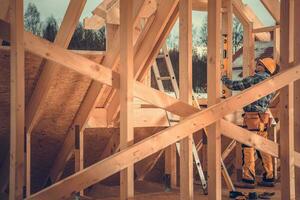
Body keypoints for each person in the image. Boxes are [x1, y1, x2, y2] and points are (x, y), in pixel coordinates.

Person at [221, 57, 279, 188]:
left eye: (259, 64)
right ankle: (269, 177)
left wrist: (223, 78)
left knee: (248, 147)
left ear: (265, 68)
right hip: (263, 118)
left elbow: (234, 85)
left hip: (252, 118)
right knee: (263, 148)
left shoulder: (256, 79)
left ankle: (248, 179)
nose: (256, 65)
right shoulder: (272, 83)